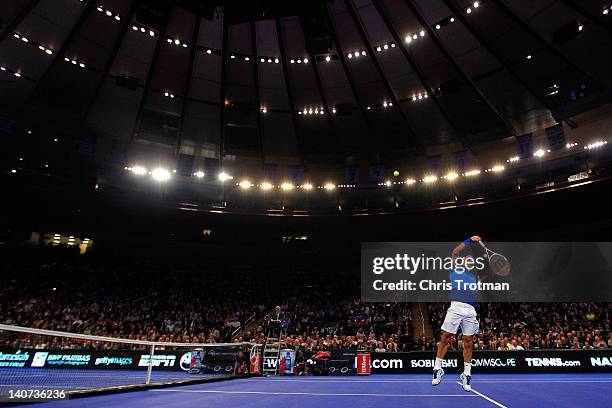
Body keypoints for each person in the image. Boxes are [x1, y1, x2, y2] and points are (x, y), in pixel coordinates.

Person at [432, 236, 483, 392]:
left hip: (470, 309)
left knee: (468, 342)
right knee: (445, 337)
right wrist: (469, 240)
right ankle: (437, 369)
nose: (469, 262)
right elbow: (455, 252)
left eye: (471, 261)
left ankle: (466, 374)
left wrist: (478, 289)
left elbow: (477, 294)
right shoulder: (456, 269)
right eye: (467, 259)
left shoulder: (475, 277)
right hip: (455, 307)